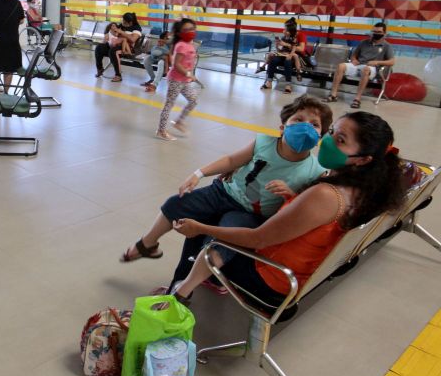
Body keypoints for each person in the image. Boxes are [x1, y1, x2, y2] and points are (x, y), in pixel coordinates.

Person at [170, 111, 405, 306]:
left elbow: (258, 239)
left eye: (341, 140)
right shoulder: (364, 188)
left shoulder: (325, 194)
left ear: (362, 159)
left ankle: (176, 296)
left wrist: (199, 227)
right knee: (229, 216)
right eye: (331, 131)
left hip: (273, 276)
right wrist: (294, 198)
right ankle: (199, 283)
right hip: (300, 270)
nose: (328, 140)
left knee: (207, 220)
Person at [121, 95, 332, 295]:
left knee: (220, 245)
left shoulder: (314, 171)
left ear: (320, 136)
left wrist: (291, 194)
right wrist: (198, 173)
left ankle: (183, 290)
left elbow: (302, 206)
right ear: (282, 126)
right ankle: (148, 244)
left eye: (314, 124)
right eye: (299, 119)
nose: (306, 127)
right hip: (223, 192)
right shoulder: (264, 142)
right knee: (176, 204)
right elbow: (232, 161)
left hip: (251, 214)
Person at [323, 23, 395, 109]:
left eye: (379, 32)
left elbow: (392, 61)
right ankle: (333, 95)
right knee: (341, 66)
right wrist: (354, 60)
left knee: (366, 69)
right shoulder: (364, 42)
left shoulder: (387, 46)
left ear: (384, 33)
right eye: (374, 31)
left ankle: (357, 99)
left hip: (373, 69)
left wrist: (377, 62)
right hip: (359, 65)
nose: (376, 33)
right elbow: (354, 55)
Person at [154, 20, 199, 141]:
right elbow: (176, 64)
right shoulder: (181, 45)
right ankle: (161, 130)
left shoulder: (189, 43)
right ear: (180, 33)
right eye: (186, 30)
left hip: (184, 80)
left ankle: (178, 122)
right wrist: (189, 73)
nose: (190, 32)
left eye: (192, 28)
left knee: (193, 100)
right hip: (175, 80)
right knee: (169, 104)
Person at [261, 17, 307, 93]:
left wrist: (286, 45)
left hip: (296, 56)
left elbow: (301, 49)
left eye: (286, 29)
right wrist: (278, 46)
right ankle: (269, 82)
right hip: (284, 54)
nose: (284, 31)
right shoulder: (285, 37)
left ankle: (288, 85)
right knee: (273, 59)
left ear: (291, 30)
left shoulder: (299, 36)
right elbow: (281, 49)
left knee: (287, 61)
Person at [95, 13, 142, 82]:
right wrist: (110, 32)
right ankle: (100, 69)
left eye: (124, 21)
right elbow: (114, 33)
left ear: (130, 22)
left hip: (127, 48)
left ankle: (118, 75)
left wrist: (121, 32)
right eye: (122, 20)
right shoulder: (121, 25)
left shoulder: (136, 28)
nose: (122, 22)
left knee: (113, 51)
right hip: (116, 44)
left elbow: (133, 39)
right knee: (99, 47)